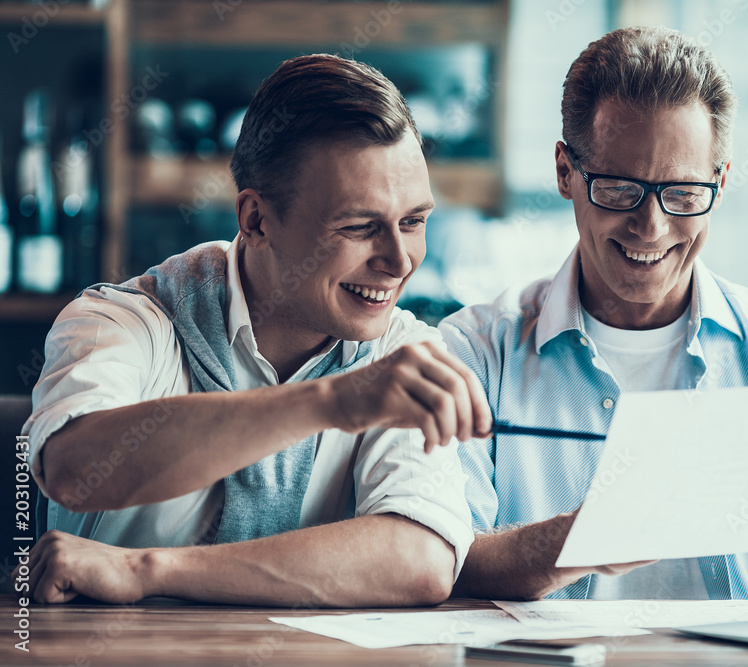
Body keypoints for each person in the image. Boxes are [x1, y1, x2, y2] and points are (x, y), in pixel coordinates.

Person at [441, 27, 748, 602]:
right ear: (566, 173)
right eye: (618, 189)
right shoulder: (474, 355)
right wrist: (586, 536)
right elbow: (440, 562)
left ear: (721, 181)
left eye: (683, 193)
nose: (651, 228)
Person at [25, 54, 492, 607]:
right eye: (359, 227)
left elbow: (421, 561)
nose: (399, 261)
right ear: (256, 220)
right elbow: (73, 469)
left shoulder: (405, 351)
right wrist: (331, 402)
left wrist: (150, 571)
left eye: (413, 222)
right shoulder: (122, 322)